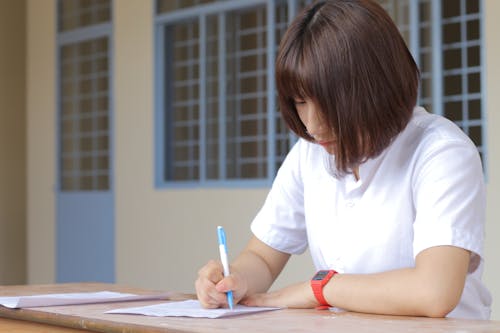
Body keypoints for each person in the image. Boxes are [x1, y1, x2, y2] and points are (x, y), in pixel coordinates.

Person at [195, 0, 491, 319]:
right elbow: (263, 257)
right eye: (300, 101)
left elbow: (433, 293)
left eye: (328, 104)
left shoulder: (441, 153)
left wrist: (320, 288)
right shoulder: (311, 152)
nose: (312, 125)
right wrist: (235, 278)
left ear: (378, 88)